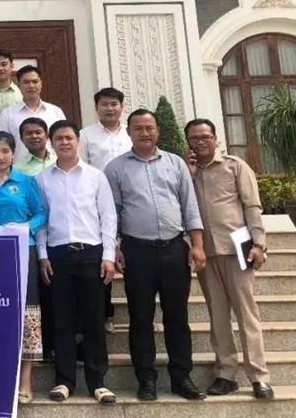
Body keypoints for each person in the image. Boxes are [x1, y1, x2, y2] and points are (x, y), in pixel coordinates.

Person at [104, 109, 207, 402]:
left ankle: (181, 377)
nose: (145, 133)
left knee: (177, 316)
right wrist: (115, 247)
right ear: (129, 132)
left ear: (158, 130)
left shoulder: (175, 163)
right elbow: (112, 213)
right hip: (137, 251)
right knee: (140, 317)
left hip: (174, 249)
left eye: (149, 127)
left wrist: (197, 244)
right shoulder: (116, 168)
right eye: (138, 128)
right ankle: (146, 379)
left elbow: (189, 206)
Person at [185, 118, 273, 400]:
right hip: (206, 251)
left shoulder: (235, 166)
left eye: (205, 137)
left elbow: (252, 206)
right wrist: (188, 174)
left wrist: (259, 244)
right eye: (194, 138)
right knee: (218, 315)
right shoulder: (187, 172)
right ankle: (225, 373)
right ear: (188, 143)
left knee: (247, 313)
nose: (200, 142)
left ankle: (259, 376)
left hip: (238, 248)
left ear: (215, 138)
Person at [36, 120, 118, 405]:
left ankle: (98, 382)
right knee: (62, 321)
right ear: (51, 143)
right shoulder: (42, 179)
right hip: (58, 255)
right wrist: (42, 255)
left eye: (69, 137)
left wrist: (108, 256)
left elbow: (108, 217)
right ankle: (64, 381)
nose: (64, 142)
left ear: (78, 141)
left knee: (94, 319)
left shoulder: (95, 176)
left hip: (91, 254)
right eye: (58, 138)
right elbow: (41, 220)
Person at [0, 131, 47, 403]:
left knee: (26, 314)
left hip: (22, 251)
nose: (0, 156)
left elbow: (41, 213)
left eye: (5, 151)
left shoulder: (26, 182)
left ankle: (25, 380)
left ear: (13, 154)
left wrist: (25, 227)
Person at [79, 87, 131, 333]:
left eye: (114, 104)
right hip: (98, 202)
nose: (109, 108)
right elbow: (81, 168)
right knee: (104, 255)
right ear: (96, 107)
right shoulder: (85, 135)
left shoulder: (131, 133)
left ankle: (142, 313)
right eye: (104, 104)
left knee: (133, 258)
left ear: (121, 107)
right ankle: (106, 313)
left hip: (131, 200)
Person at [0, 66, 66, 159]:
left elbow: (64, 140)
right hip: (20, 166)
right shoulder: (8, 114)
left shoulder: (55, 112)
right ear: (19, 86)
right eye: (26, 82)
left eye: (35, 81)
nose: (31, 86)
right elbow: (1, 144)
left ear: (41, 84)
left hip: (52, 166)